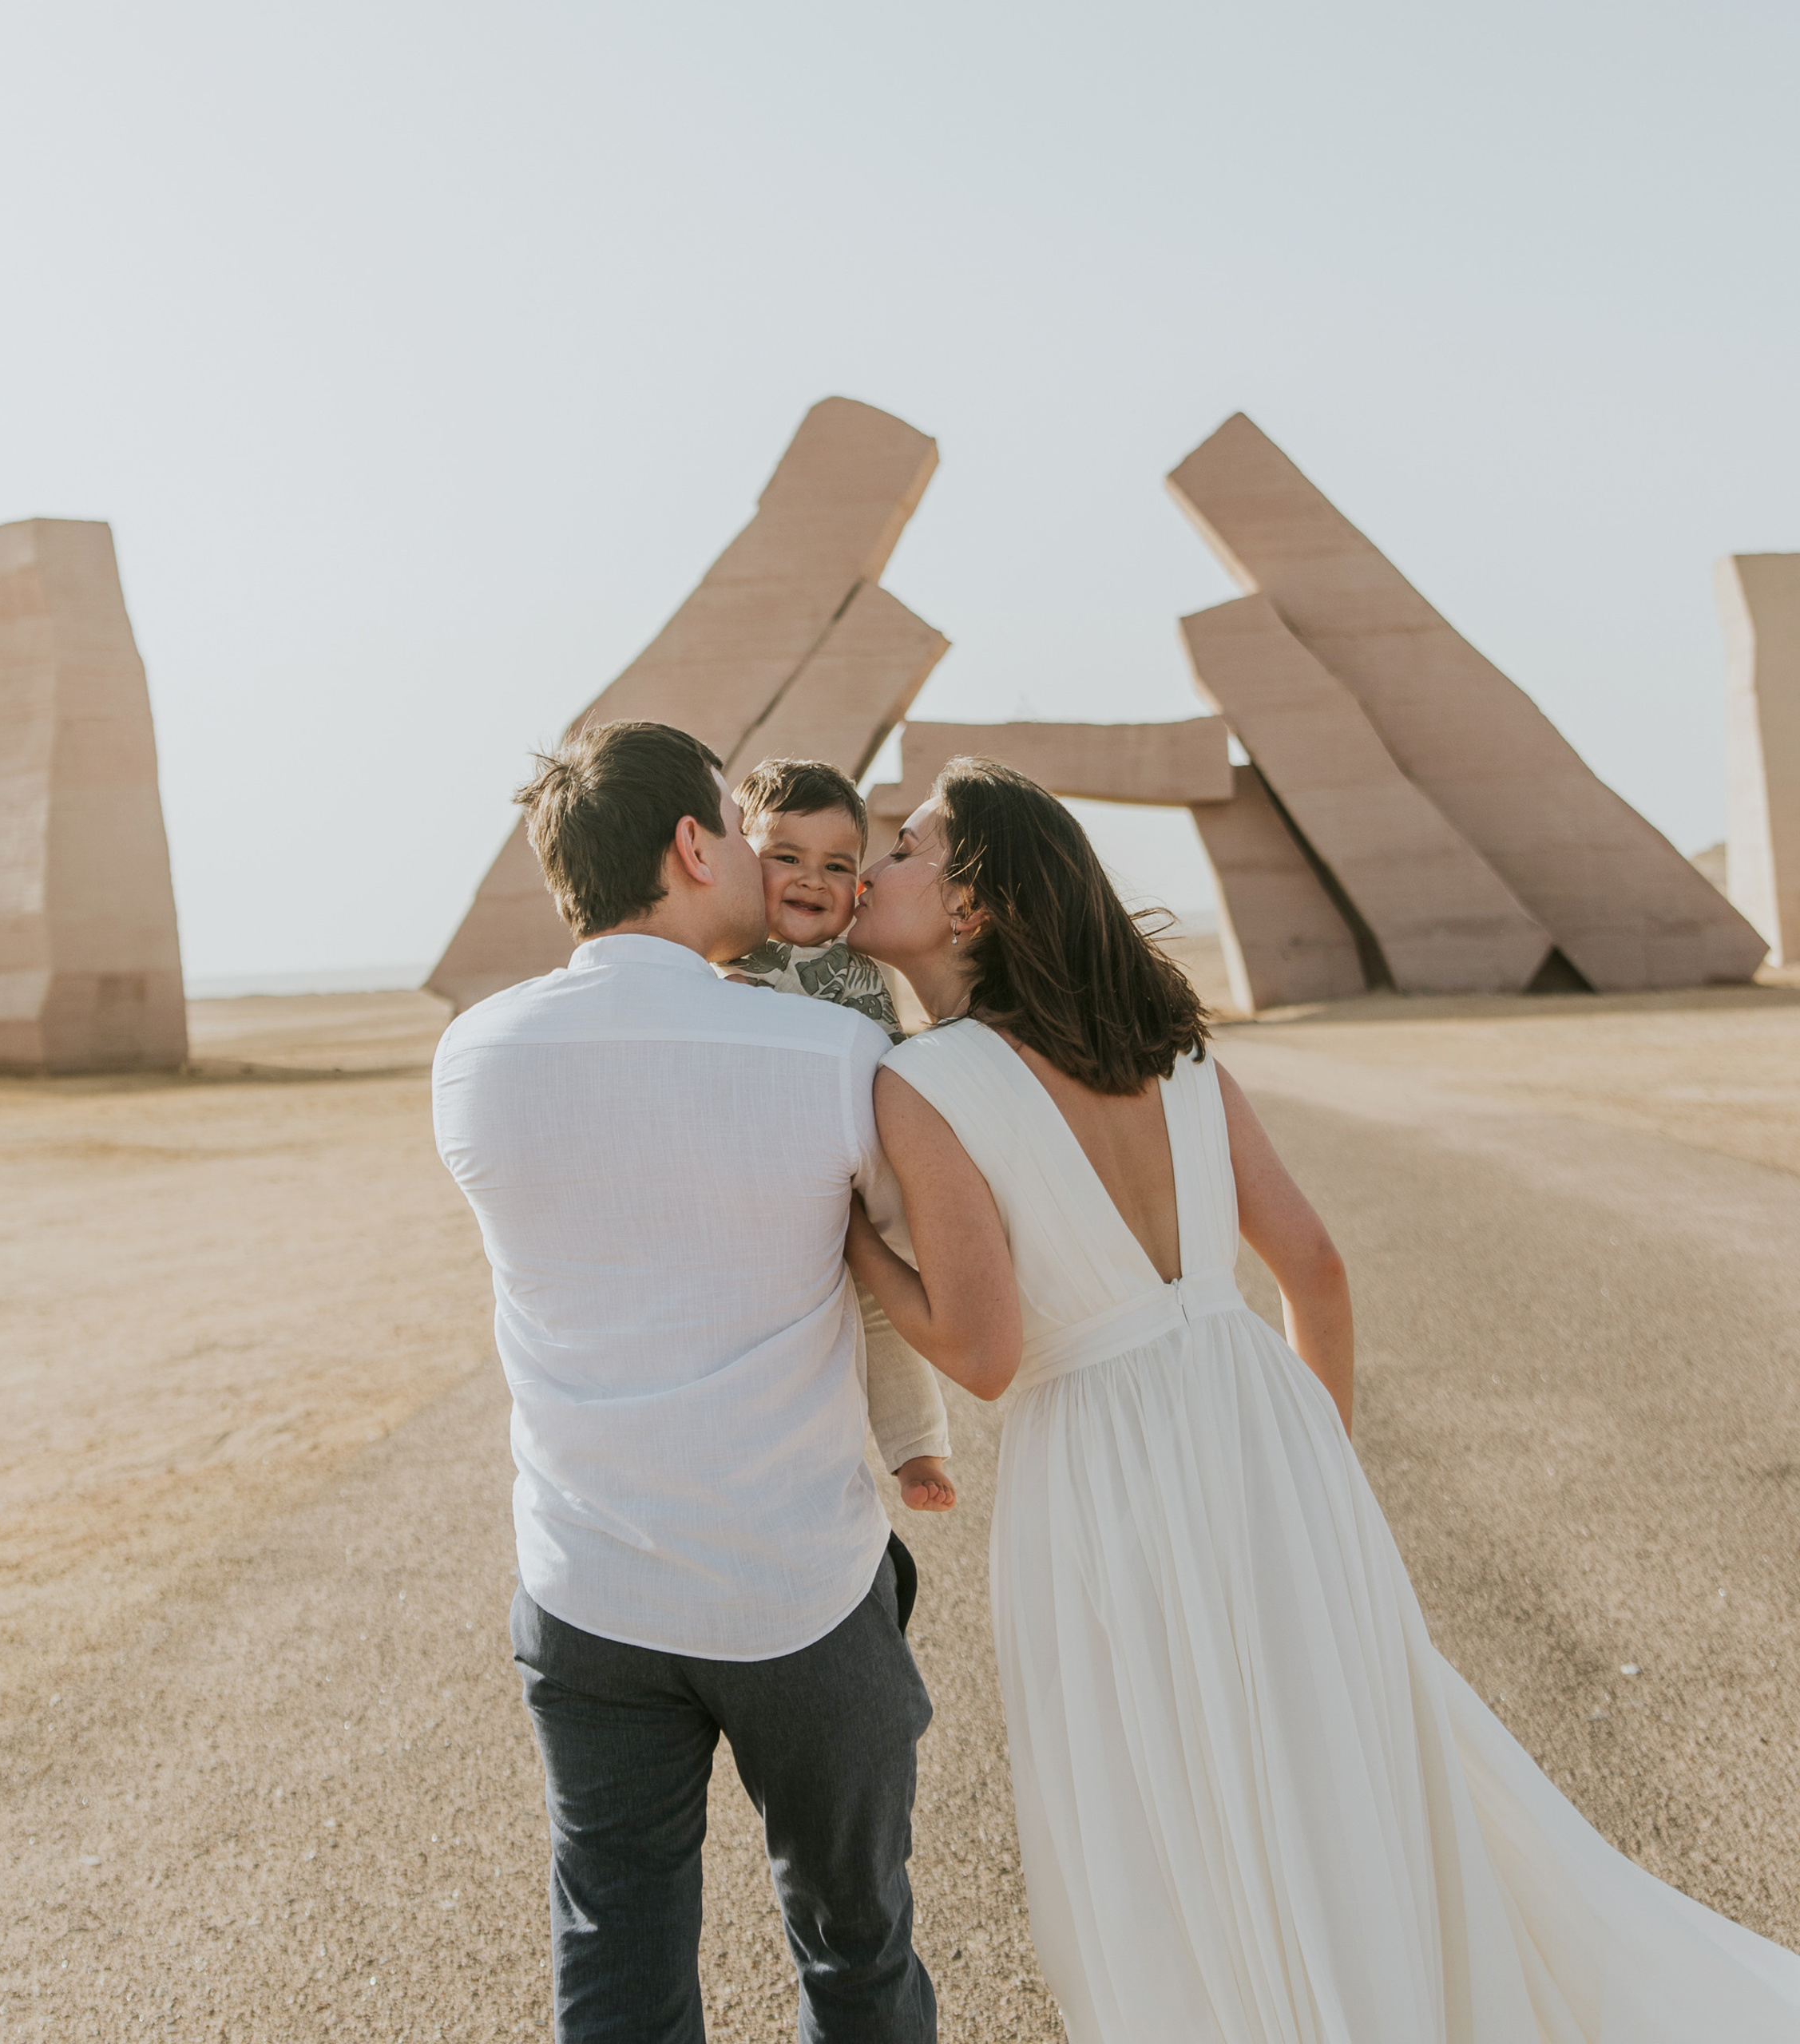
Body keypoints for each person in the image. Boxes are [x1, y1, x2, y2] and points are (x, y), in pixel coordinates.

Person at [842, 755, 1800, 2042]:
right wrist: (1314, 1468)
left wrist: (856, 1249)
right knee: (1334, 1766)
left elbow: (985, 1350)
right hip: (1267, 1431)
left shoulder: (926, 1083)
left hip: (1106, 1463)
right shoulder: (1173, 1055)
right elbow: (1318, 1274)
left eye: (906, 845)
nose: (871, 862)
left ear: (975, 905)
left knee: (1169, 1793)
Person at [433, 719, 936, 2042]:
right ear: (693, 843)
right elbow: (925, 1256)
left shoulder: (472, 1059)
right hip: (801, 1592)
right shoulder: (833, 1060)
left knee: (617, 1963)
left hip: (588, 1589)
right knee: (856, 1952)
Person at [720, 754, 954, 1515]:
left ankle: (918, 1448)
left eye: (836, 865)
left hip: (860, 1166)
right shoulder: (729, 960)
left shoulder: (863, 961)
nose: (811, 880)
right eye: (784, 858)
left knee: (884, 1310)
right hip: (776, 1177)